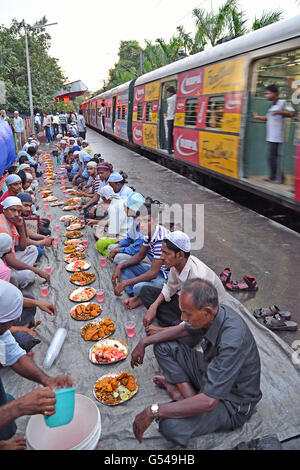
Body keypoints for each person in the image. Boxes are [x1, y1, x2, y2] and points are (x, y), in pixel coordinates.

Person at [131, 278, 262, 447]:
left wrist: (153, 410)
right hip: (211, 371)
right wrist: (144, 343)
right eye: (182, 312)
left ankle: (183, 396)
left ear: (207, 312)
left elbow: (209, 402)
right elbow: (180, 330)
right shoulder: (211, 314)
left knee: (169, 424)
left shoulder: (232, 340)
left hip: (231, 402)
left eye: (187, 314)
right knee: (163, 346)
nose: (182, 318)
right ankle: (186, 397)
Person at [0, 279, 74, 448]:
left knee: (5, 403)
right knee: (8, 405)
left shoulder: (1, 330)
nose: (17, 321)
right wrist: (18, 407)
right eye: (11, 320)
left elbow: (15, 357)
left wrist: (48, 380)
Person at [140, 230, 227, 333]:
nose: (161, 257)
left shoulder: (199, 278)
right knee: (146, 292)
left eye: (166, 253)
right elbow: (170, 287)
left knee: (191, 334)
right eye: (162, 252)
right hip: (190, 306)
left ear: (180, 255)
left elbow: (198, 315)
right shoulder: (176, 264)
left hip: (204, 316)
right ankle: (176, 326)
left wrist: (162, 331)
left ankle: (176, 328)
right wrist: (153, 307)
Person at [112, 202, 170, 309]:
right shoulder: (148, 234)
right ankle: (136, 294)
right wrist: (120, 267)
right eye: (139, 221)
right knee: (122, 264)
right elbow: (140, 255)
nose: (141, 224)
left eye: (147, 221)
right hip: (155, 270)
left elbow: (153, 273)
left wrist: (125, 282)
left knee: (139, 287)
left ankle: (138, 295)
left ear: (156, 221)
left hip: (166, 277)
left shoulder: (161, 240)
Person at [0, 197, 49, 289]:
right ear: (4, 210)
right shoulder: (2, 227)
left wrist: (21, 226)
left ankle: (19, 272)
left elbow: (22, 247)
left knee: (33, 250)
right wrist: (36, 270)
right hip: (3, 268)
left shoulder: (10, 221)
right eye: (13, 210)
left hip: (8, 261)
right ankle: (14, 287)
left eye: (19, 211)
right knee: (29, 274)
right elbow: (9, 259)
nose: (16, 214)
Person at [252, 84, 296, 183]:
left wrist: (281, 112)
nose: (266, 95)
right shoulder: (272, 105)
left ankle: (276, 178)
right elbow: (269, 118)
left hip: (278, 136)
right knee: (273, 158)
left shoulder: (283, 103)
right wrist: (258, 117)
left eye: (268, 93)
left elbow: (292, 114)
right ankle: (278, 177)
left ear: (275, 94)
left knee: (272, 158)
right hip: (271, 136)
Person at [107, 192, 147, 265]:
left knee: (118, 257)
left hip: (144, 255)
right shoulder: (135, 220)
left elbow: (136, 249)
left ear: (132, 210)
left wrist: (118, 250)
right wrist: (118, 247)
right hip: (135, 248)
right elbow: (129, 238)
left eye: (125, 207)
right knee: (111, 248)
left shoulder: (143, 223)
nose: (124, 209)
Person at [89, 186, 128, 255]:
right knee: (96, 227)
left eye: (102, 198)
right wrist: (95, 222)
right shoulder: (116, 201)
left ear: (105, 198)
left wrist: (104, 235)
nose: (102, 200)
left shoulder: (114, 206)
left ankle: (111, 254)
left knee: (100, 243)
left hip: (122, 235)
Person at [166, 87, 176, 155]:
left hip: (170, 118)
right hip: (173, 118)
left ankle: (169, 149)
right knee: (173, 134)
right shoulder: (176, 97)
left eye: (168, 92)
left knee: (170, 135)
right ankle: (172, 148)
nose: (167, 94)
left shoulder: (169, 99)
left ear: (171, 92)